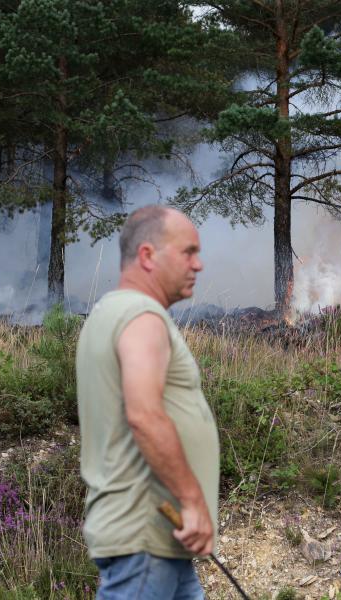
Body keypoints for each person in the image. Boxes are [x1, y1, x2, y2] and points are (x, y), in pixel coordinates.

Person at [76, 205, 219, 600]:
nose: (199, 264)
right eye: (188, 252)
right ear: (147, 256)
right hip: (144, 535)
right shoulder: (142, 317)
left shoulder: (109, 312)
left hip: (161, 538)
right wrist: (193, 501)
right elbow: (144, 415)